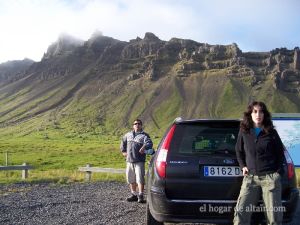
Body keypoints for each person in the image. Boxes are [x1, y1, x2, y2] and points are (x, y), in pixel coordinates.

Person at [233, 101, 285, 225]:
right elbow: (238, 150)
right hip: (250, 178)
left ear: (264, 114)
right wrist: (243, 166)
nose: (258, 114)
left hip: (270, 178)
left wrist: (277, 174)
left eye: (261, 111)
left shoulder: (271, 132)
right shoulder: (244, 131)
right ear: (250, 114)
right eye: (255, 111)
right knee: (240, 214)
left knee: (274, 218)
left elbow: (280, 154)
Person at [120, 119, 153, 203]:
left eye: (139, 123)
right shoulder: (128, 135)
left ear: (141, 125)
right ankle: (134, 194)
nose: (137, 125)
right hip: (129, 161)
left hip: (139, 161)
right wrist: (124, 151)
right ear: (133, 125)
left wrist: (144, 147)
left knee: (140, 178)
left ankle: (141, 195)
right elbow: (123, 143)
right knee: (131, 178)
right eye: (135, 123)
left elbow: (149, 144)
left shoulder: (145, 135)